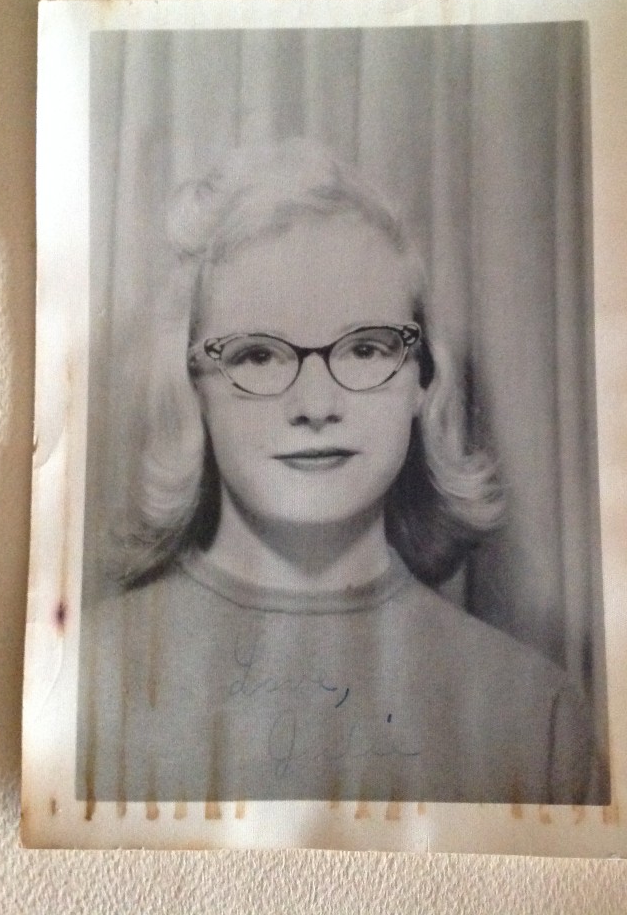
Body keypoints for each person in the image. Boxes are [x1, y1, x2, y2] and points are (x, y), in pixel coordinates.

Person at [79, 138, 595, 806]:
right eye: (258, 355)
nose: (316, 406)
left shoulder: (537, 714)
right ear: (190, 384)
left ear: (422, 381)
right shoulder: (78, 683)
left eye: (365, 349)